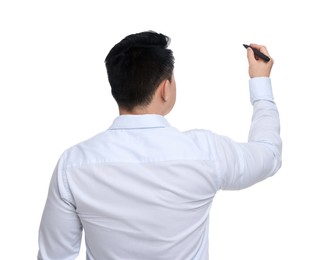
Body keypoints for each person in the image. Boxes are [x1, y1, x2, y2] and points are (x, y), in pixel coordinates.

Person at [37, 31, 282, 260]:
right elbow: (269, 154)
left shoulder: (73, 165)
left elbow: (54, 256)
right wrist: (260, 82)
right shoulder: (206, 152)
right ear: (165, 88)